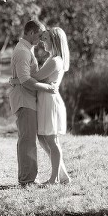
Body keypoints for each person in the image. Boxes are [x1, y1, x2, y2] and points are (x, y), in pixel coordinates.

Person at [8, 19, 57, 186]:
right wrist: (46, 88)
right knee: (27, 139)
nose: (41, 39)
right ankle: (27, 180)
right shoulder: (22, 52)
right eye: (39, 35)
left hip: (28, 98)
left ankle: (28, 178)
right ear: (30, 33)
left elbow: (25, 78)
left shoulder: (27, 49)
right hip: (24, 99)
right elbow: (25, 81)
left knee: (28, 138)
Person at [34, 27, 71, 184]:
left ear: (55, 41)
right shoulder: (51, 59)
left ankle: (54, 178)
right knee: (42, 137)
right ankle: (63, 175)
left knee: (51, 140)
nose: (43, 42)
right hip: (45, 101)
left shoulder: (55, 61)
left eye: (46, 39)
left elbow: (35, 77)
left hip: (50, 103)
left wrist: (19, 77)